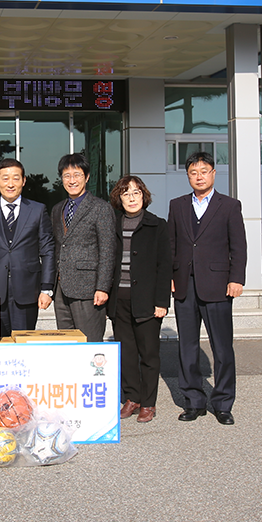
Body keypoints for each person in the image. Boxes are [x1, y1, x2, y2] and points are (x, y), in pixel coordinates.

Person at [167, 151, 246, 426]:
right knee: (186, 348)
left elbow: (238, 246)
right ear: (187, 175)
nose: (198, 176)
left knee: (222, 348)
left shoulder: (229, 206)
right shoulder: (177, 205)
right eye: (193, 172)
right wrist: (172, 276)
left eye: (204, 171)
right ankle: (193, 401)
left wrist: (237, 279)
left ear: (214, 173)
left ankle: (223, 403)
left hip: (218, 286)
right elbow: (173, 245)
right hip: (185, 286)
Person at [107, 175, 172, 423]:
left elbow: (164, 265)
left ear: (144, 196)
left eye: (136, 193)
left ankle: (148, 402)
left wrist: (162, 302)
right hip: (119, 299)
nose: (131, 198)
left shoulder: (157, 225)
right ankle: (132, 398)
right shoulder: (112, 223)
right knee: (126, 351)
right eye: (126, 193)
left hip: (146, 299)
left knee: (149, 353)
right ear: (119, 198)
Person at [0, 158, 55, 337]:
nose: (10, 184)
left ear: (24, 181)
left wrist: (47, 289)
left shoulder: (38, 210)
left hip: (27, 290)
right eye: (5, 178)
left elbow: (47, 251)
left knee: (23, 345)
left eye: (16, 178)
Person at [51, 153, 116, 342]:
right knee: (67, 344)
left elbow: (107, 250)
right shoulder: (57, 209)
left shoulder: (100, 208)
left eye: (77, 175)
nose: (72, 180)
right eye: (67, 176)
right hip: (61, 289)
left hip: (88, 290)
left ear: (87, 177)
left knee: (90, 343)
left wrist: (103, 287)